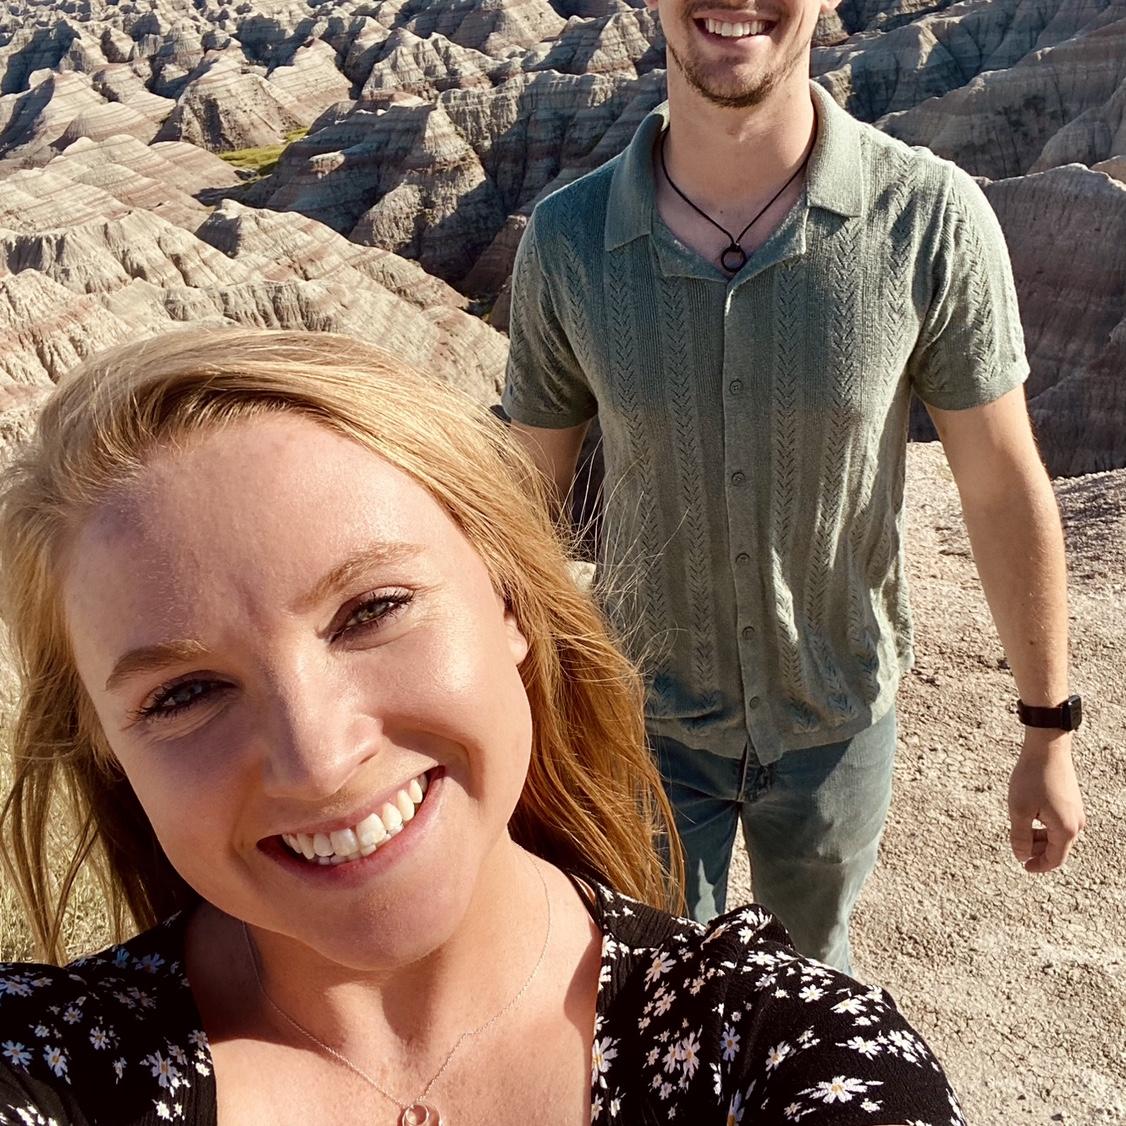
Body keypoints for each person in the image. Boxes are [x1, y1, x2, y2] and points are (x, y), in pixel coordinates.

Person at [0, 329, 963, 1125]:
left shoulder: (778, 1055)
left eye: (372, 610)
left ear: (510, 602)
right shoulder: (47, 1070)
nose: (318, 760)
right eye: (182, 694)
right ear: (106, 750)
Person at [502, 0, 1086, 972]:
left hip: (836, 721)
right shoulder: (567, 241)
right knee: (647, 984)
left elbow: (999, 484)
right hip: (638, 718)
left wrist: (1046, 729)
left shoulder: (928, 220)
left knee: (811, 977)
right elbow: (523, 500)